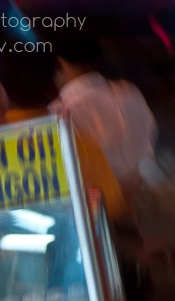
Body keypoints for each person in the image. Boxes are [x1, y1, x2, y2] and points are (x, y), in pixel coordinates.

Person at [0, 47, 148, 301]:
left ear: (0, 92)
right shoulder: (80, 146)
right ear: (53, 87)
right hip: (71, 292)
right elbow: (112, 210)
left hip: (1, 297)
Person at [49, 28, 157, 215]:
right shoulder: (131, 96)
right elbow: (147, 154)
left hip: (92, 219)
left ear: (59, 63)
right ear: (97, 59)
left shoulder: (60, 114)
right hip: (136, 214)